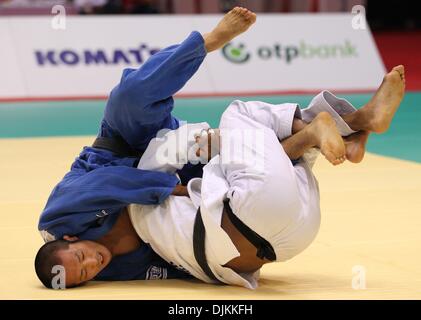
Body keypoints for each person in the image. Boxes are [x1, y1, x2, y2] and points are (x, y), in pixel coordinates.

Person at [35, 7, 258, 288]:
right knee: (252, 167)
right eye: (85, 274)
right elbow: (181, 260)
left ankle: (208, 41)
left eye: (81, 256)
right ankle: (303, 133)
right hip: (181, 179)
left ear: (70, 239)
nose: (92, 264)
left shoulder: (59, 217)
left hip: (125, 146)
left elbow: (107, 182)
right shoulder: (115, 271)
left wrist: (174, 191)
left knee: (128, 97)